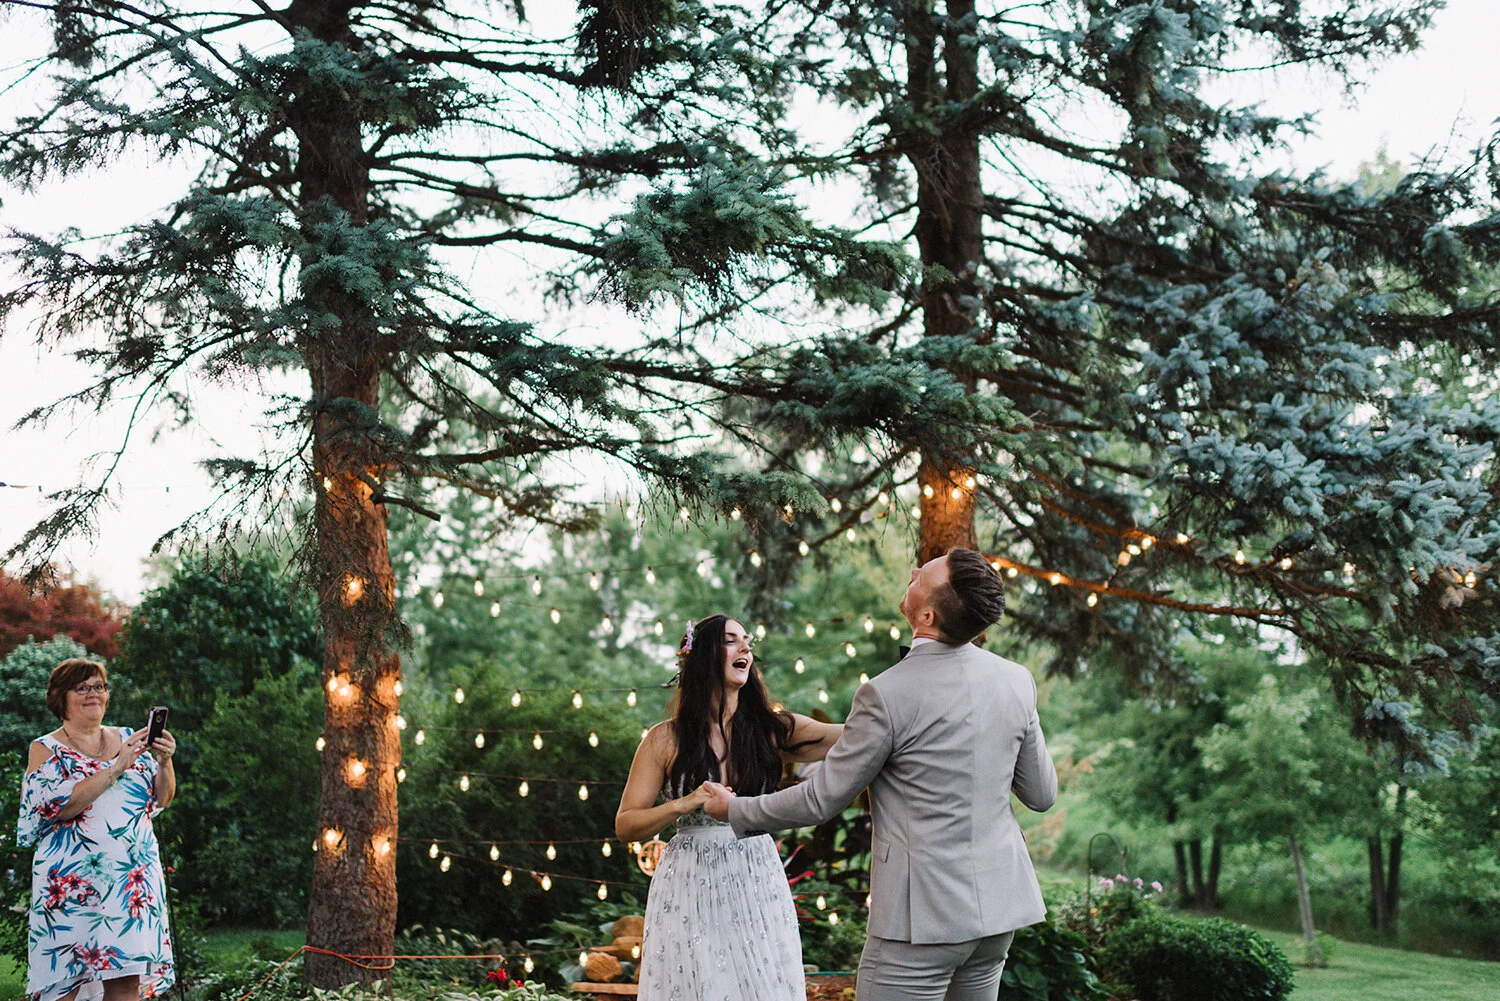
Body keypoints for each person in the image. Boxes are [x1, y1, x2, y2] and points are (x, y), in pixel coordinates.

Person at [705, 549, 1058, 1001]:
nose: (911, 572)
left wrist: (734, 808)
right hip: (998, 914)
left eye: (920, 577)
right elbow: (1042, 793)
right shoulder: (1016, 680)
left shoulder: (884, 693)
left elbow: (819, 801)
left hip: (919, 923)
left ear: (926, 614)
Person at [615, 614, 843, 1001]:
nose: (745, 648)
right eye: (730, 641)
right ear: (703, 656)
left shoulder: (772, 732)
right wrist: (684, 804)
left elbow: (857, 738)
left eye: (747, 641)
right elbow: (626, 825)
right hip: (687, 880)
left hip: (755, 871)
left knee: (760, 983)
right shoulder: (664, 739)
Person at [18, 658, 178, 1001]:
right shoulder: (45, 749)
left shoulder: (128, 739)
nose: (94, 694)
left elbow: (161, 798)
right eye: (83, 687)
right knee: (63, 985)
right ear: (61, 697)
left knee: (125, 986)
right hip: (70, 886)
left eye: (100, 687)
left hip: (131, 884)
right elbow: (58, 807)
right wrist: (115, 767)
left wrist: (165, 762)